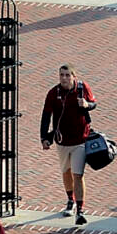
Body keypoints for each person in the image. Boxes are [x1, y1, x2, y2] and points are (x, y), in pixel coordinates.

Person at [39, 65, 98, 224]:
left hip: (80, 140)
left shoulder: (82, 88)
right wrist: (44, 138)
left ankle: (80, 209)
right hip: (62, 141)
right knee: (66, 171)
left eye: (67, 75)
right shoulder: (53, 93)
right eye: (61, 75)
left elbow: (93, 103)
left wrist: (86, 104)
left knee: (78, 174)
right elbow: (46, 116)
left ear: (73, 76)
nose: (64, 78)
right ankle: (70, 200)